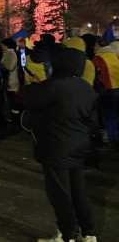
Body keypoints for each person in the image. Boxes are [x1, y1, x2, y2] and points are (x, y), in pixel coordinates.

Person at [25, 48, 99, 242]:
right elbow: (92, 121)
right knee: (78, 191)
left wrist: (33, 86)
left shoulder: (52, 86)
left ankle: (68, 234)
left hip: (56, 146)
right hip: (79, 145)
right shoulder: (86, 87)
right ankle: (88, 232)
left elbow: (28, 100)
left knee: (60, 194)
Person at [93, 40, 119, 145]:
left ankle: (112, 137)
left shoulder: (98, 57)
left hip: (106, 90)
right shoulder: (116, 56)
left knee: (109, 115)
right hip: (117, 88)